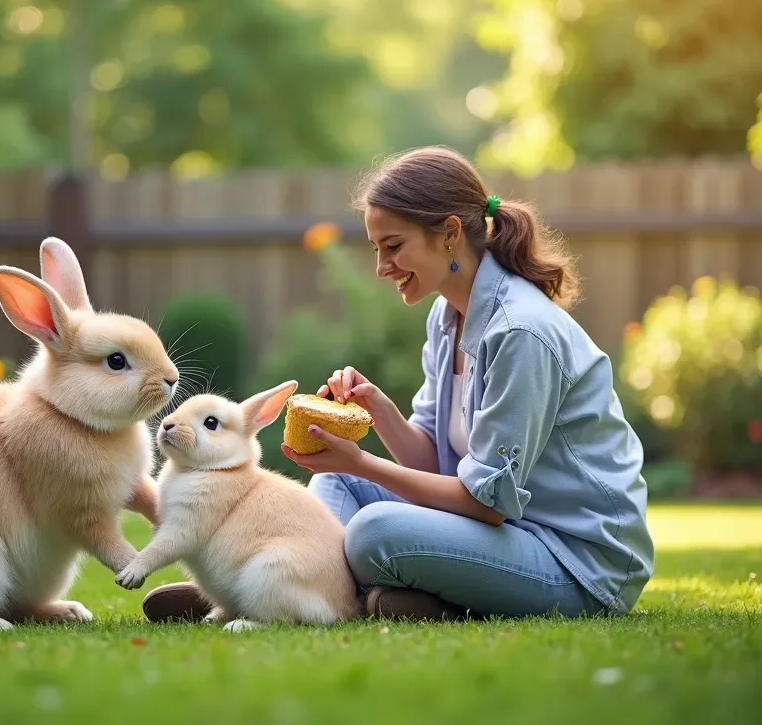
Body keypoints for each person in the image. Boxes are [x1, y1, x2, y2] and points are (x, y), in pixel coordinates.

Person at [139, 146, 654, 623]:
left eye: (393, 246)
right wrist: (379, 410)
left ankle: (286, 591)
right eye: (376, 248)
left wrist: (360, 459)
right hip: (502, 536)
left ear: (450, 233)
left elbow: (486, 503)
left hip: (574, 562)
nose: (382, 267)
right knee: (335, 484)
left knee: (374, 530)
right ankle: (279, 588)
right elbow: (432, 463)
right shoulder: (448, 317)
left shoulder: (520, 332)